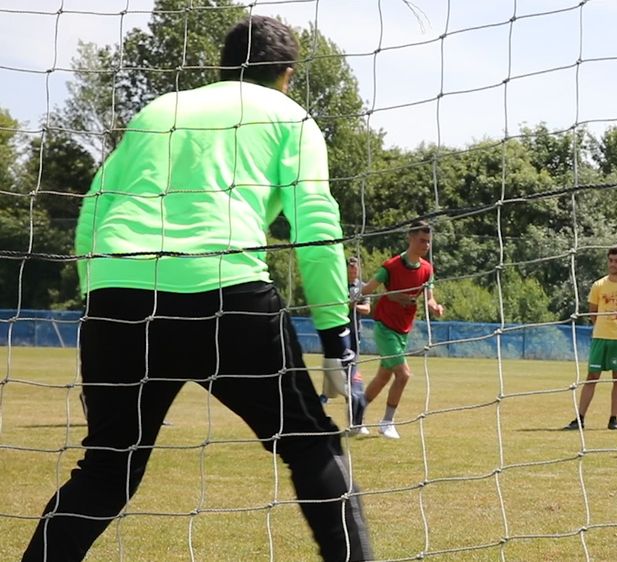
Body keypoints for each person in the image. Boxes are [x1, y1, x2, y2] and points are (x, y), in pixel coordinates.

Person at [23, 16, 372, 562]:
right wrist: (336, 336)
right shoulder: (289, 115)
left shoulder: (158, 111)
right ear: (287, 74)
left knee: (108, 468)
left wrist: (100, 294)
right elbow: (316, 225)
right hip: (225, 294)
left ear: (221, 67)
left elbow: (94, 210)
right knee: (310, 446)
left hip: (120, 298)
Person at [362, 221, 445, 440]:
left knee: (382, 377)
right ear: (410, 237)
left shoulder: (427, 269)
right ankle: (387, 422)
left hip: (402, 330)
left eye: (428, 242)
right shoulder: (391, 266)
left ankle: (355, 416)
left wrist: (435, 307)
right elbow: (368, 289)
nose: (426, 245)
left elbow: (429, 298)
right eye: (422, 240)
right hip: (384, 327)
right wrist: (387, 295)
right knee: (404, 374)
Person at [564, 247, 617, 431]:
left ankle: (613, 419)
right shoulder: (598, 285)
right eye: (610, 260)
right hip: (600, 338)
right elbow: (592, 311)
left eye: (616, 261)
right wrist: (600, 326)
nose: (613, 264)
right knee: (591, 377)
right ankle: (580, 418)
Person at [340, 256, 371, 436]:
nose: (353, 273)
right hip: (338, 336)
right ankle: (356, 421)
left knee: (352, 378)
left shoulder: (363, 288)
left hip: (354, 338)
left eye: (355, 270)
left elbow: (367, 309)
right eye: (350, 270)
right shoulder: (338, 285)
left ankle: (357, 421)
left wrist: (353, 307)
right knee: (345, 379)